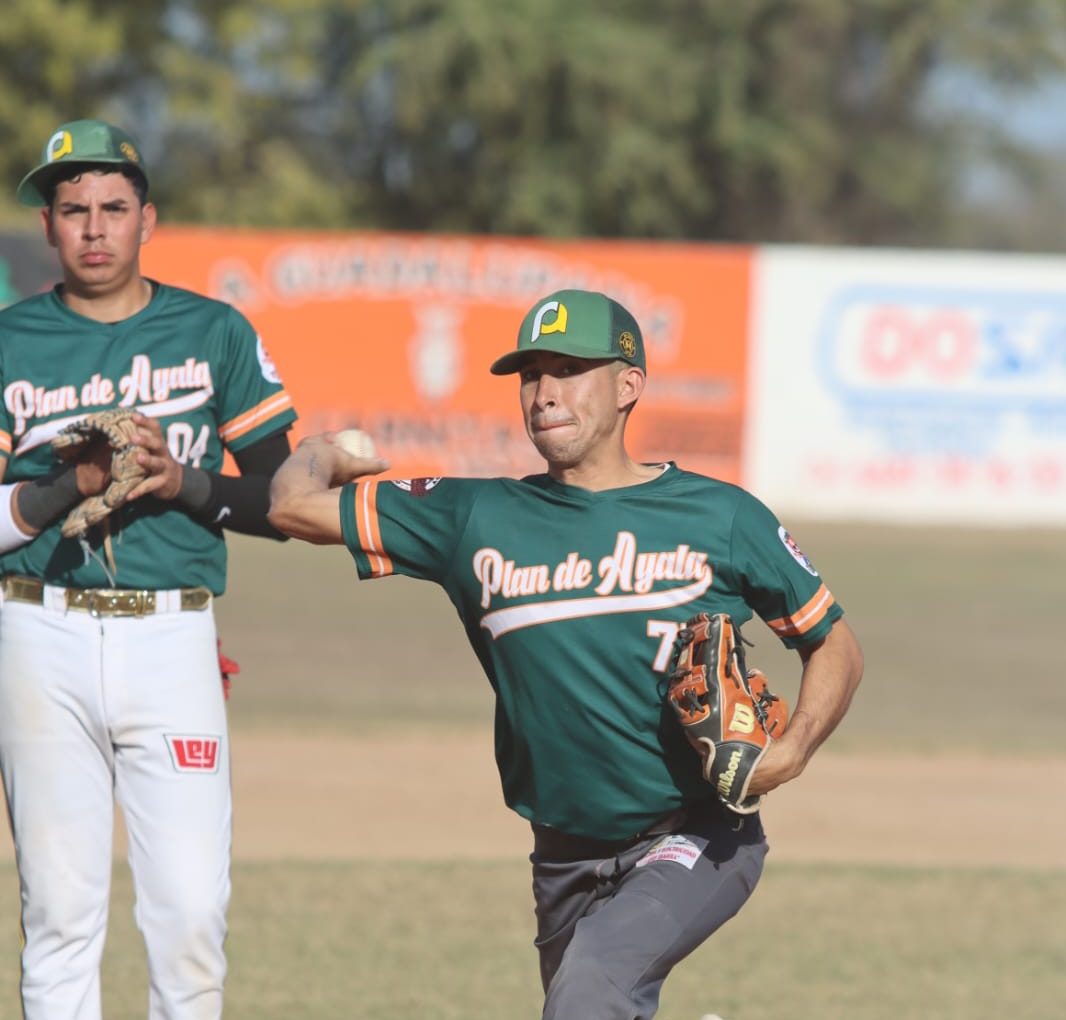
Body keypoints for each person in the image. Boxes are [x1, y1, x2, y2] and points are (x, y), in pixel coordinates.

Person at [268, 288, 863, 1019]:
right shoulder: (474, 516)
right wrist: (318, 452)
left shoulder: (719, 516)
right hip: (562, 855)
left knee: (587, 994)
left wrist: (792, 750)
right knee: (589, 1002)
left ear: (628, 385)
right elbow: (290, 507)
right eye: (531, 375)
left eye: (570, 370)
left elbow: (834, 642)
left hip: (697, 834)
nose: (544, 393)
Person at [0, 119, 298, 1020]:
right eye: (73, 210)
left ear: (148, 219)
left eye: (113, 208)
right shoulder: (11, 339)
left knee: (191, 914)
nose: (94, 227)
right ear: (48, 226)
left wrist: (181, 482)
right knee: (59, 913)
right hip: (38, 628)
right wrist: (70, 485)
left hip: (171, 635)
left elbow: (282, 500)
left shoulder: (212, 332)